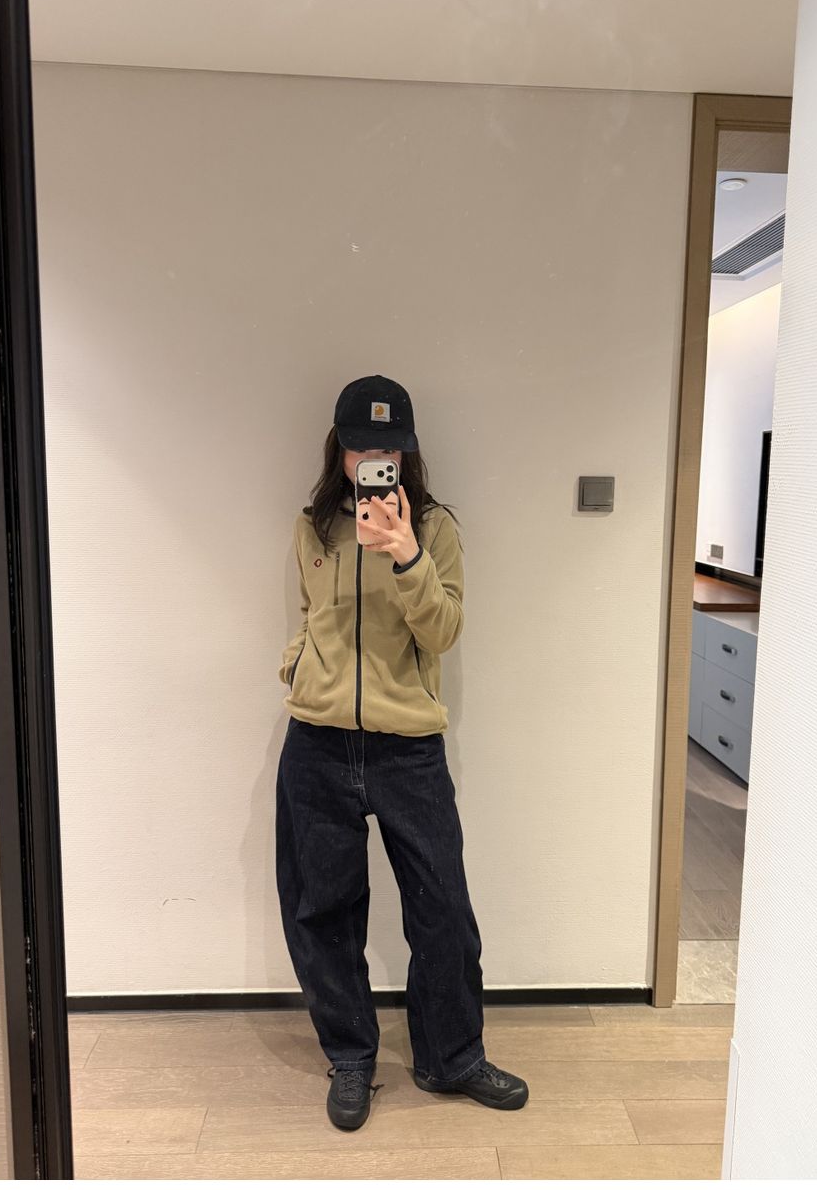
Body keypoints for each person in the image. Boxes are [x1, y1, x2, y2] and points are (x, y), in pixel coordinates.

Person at [275, 374, 528, 1131]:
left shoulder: (435, 528)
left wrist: (408, 553)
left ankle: (451, 1058)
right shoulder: (313, 527)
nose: (373, 462)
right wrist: (297, 666)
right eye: (361, 448)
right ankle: (351, 1058)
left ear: (407, 452)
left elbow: (443, 631)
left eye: (387, 449)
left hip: (408, 748)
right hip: (317, 744)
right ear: (340, 449)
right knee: (323, 910)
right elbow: (310, 614)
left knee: (443, 908)